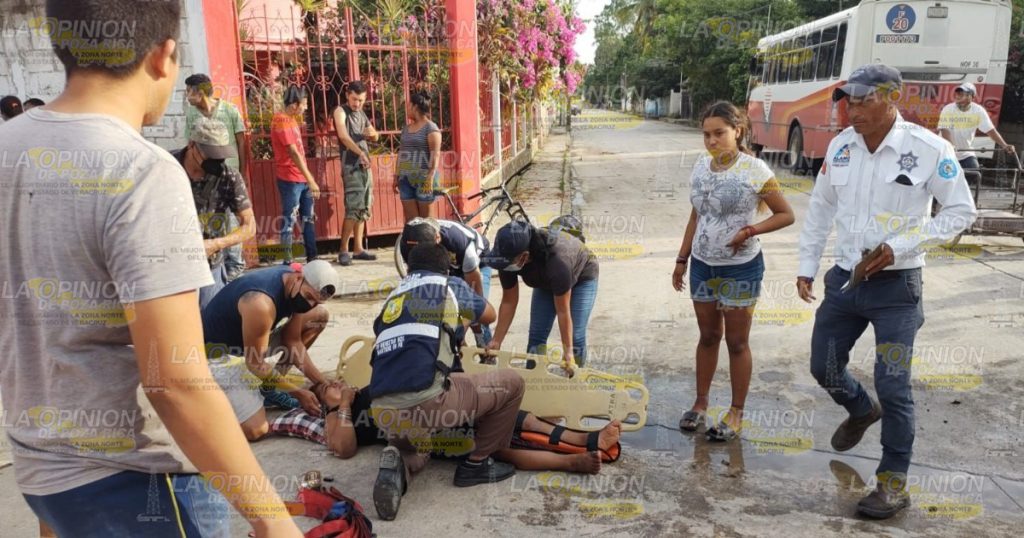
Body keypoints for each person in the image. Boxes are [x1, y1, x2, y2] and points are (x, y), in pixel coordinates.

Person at [0, 1, 301, 536]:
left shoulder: (9, 148)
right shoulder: (141, 171)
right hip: (139, 482)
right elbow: (175, 381)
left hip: (42, 472)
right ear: (163, 57)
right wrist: (273, 522)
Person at [798, 64, 977, 519]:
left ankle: (892, 484)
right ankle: (860, 410)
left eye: (863, 101)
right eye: (848, 101)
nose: (852, 110)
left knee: (894, 385)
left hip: (897, 288)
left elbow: (961, 211)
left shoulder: (928, 148)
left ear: (892, 97)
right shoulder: (840, 149)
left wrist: (900, 246)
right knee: (825, 365)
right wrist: (806, 265)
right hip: (845, 280)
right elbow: (820, 209)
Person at [368, 243, 525, 521]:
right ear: (446, 268)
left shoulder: (393, 296)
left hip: (382, 410)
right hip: (427, 404)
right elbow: (489, 314)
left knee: (419, 448)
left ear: (408, 268)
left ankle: (398, 464)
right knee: (512, 383)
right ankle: (477, 464)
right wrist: (460, 319)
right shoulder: (448, 285)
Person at [672, 100, 795, 441]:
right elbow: (696, 216)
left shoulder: (755, 170)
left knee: (737, 342)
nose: (711, 141)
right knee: (708, 336)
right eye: (706, 135)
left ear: (737, 131)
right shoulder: (700, 166)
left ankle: (736, 411)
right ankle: (700, 404)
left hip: (741, 269)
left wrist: (750, 231)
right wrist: (682, 260)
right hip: (702, 266)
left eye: (719, 134)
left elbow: (786, 214)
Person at [270, 379, 620, 473]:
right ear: (320, 399)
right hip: (425, 432)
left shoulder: (356, 389)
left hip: (434, 402)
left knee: (511, 414)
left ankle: (588, 438)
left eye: (334, 380)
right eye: (326, 385)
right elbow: (344, 450)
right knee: (494, 448)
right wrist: (341, 402)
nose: (334, 381)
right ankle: (570, 461)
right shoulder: (335, 416)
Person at [202, 260, 338, 441]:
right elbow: (255, 364)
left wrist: (322, 383)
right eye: (309, 297)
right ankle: (203, 407)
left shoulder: (296, 286)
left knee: (319, 316)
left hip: (250, 340)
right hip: (218, 356)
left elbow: (293, 341)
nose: (310, 304)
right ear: (298, 278)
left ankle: (269, 389)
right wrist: (297, 392)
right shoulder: (261, 304)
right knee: (256, 429)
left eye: (317, 300)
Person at [484, 219, 599, 367]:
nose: (502, 267)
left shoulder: (557, 264)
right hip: (546, 280)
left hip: (583, 275)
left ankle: (576, 379)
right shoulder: (506, 260)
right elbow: (509, 302)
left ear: (524, 256)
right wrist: (496, 340)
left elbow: (563, 312)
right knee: (537, 335)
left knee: (575, 337)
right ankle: (532, 383)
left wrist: (568, 352)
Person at [173, 117, 256, 307]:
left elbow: (249, 226)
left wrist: (216, 244)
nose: (217, 161)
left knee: (211, 327)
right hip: (172, 268)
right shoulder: (168, 167)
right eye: (211, 155)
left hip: (210, 268)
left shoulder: (229, 177)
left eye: (221, 155)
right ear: (192, 145)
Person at [185, 72, 250, 279]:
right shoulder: (192, 115)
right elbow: (189, 145)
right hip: (203, 179)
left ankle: (235, 266)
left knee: (233, 221)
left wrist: (243, 172)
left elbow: (242, 142)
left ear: (200, 92)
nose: (186, 96)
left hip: (227, 177)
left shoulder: (229, 111)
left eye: (189, 92)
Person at [399, 217, 493, 344]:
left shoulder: (460, 244)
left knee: (475, 317)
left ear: (437, 239)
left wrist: (472, 318)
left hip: (477, 265)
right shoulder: (407, 244)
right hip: (447, 267)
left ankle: (485, 349)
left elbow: (478, 300)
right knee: (450, 321)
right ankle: (457, 351)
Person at [272, 85, 321, 264]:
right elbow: (293, 152)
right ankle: (287, 260)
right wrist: (311, 179)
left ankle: (312, 256)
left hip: (301, 178)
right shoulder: (281, 120)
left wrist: (308, 179)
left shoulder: (291, 120)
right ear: (294, 104)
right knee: (289, 219)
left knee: (308, 218)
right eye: (304, 104)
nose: (305, 108)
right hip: (290, 179)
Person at [333, 80, 379, 265]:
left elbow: (374, 135)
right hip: (351, 165)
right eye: (354, 99)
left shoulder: (361, 114)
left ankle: (358, 248)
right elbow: (343, 136)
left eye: (360, 100)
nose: (357, 103)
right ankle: (343, 250)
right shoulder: (340, 111)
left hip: (364, 165)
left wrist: (373, 134)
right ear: (347, 95)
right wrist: (360, 153)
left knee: (364, 206)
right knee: (353, 207)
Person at [937, 82, 1016, 170]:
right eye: (958, 93)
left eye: (964, 94)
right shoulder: (948, 109)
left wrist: (1004, 145)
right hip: (946, 152)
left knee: (974, 171)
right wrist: (951, 148)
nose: (959, 96)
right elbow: (945, 130)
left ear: (972, 97)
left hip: (965, 153)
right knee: (947, 176)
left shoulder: (978, 111)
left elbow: (990, 130)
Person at [395, 91, 442, 222]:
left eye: (408, 105)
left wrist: (430, 178)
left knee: (427, 224)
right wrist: (396, 176)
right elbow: (401, 153)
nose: (407, 109)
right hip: (405, 180)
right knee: (412, 223)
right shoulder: (406, 128)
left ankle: (430, 243)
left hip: (423, 180)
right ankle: (415, 243)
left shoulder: (431, 128)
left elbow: (435, 154)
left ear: (414, 107)